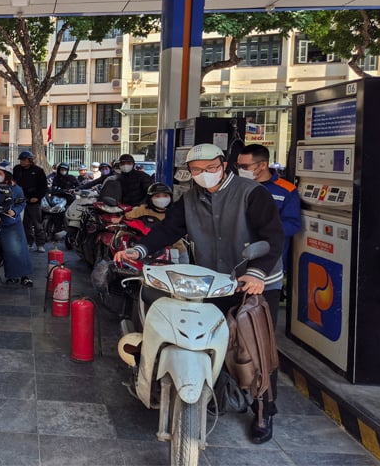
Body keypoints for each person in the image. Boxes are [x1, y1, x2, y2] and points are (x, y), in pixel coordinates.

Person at [114, 143, 284, 444]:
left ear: (223, 164)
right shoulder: (189, 199)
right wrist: (139, 249)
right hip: (214, 282)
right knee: (206, 336)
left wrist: (256, 273)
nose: (204, 174)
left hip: (256, 283)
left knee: (256, 350)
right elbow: (169, 230)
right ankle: (209, 390)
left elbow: (272, 236)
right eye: (196, 170)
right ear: (189, 173)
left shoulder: (252, 193)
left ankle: (263, 410)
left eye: (210, 168)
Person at [237, 144, 301, 272]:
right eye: (238, 166)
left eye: (245, 167)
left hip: (269, 259)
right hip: (237, 257)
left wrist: (264, 230)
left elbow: (292, 224)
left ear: (263, 165)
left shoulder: (286, 190)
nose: (240, 170)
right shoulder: (236, 186)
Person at [0, 161, 34, 286]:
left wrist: (14, 211)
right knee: (4, 250)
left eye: (0, 173)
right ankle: (11, 275)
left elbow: (21, 203)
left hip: (11, 223)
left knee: (17, 250)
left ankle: (24, 276)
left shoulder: (16, 188)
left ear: (7, 175)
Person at [124, 182, 187, 263]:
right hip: (150, 247)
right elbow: (127, 217)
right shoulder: (142, 210)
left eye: (165, 196)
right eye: (157, 196)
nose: (161, 199)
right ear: (150, 198)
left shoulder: (175, 212)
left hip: (175, 249)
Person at [13, 150, 48, 252]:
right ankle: (29, 242)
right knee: (25, 224)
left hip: (34, 201)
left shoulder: (38, 171)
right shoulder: (17, 169)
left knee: (37, 223)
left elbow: (43, 187)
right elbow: (14, 182)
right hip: (20, 200)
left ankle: (40, 244)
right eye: (21, 160)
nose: (22, 162)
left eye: (24, 160)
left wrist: (37, 197)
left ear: (30, 160)